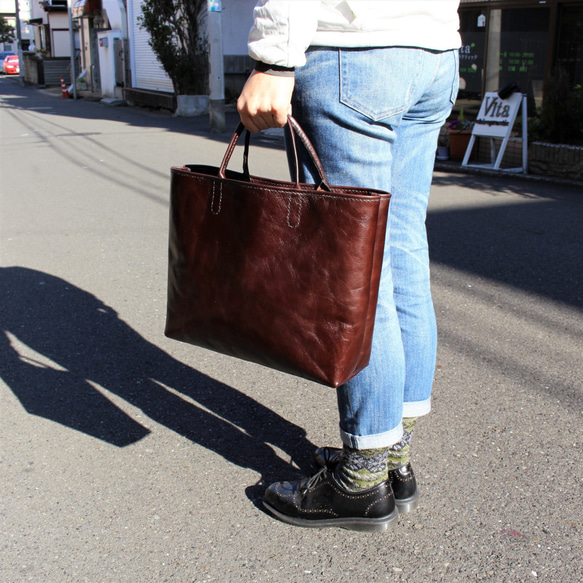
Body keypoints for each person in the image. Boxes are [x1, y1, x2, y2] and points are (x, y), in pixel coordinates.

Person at [237, 0, 461, 532]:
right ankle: (392, 458)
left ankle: (362, 481)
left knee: (355, 268)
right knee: (401, 248)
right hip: (434, 53)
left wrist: (273, 60)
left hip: (355, 54)